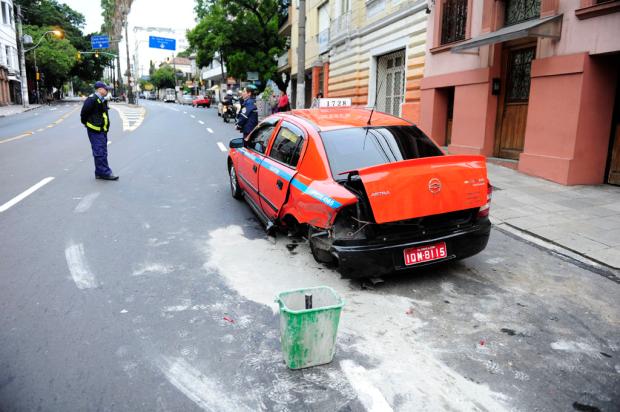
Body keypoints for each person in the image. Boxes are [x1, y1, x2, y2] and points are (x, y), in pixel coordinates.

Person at [80, 81, 118, 180]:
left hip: (102, 130)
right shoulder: (92, 99)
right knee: (100, 152)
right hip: (95, 130)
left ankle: (99, 172)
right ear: (100, 89)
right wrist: (87, 124)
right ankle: (105, 173)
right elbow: (83, 114)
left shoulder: (102, 100)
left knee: (102, 152)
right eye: (106, 89)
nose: (107, 91)